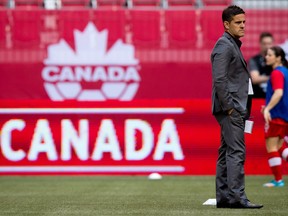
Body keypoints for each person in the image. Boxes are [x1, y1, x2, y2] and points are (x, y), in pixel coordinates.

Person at [211, 5, 263, 209]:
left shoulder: (229, 44)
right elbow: (220, 79)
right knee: (236, 152)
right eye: (238, 23)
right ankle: (236, 197)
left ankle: (225, 197)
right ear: (226, 24)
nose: (243, 26)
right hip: (231, 108)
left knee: (227, 151)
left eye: (244, 22)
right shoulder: (224, 45)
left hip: (231, 107)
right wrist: (230, 107)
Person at [262, 46, 288, 187]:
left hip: (276, 116)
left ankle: (278, 180)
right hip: (284, 115)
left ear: (278, 57)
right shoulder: (285, 72)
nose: (266, 57)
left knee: (271, 147)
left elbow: (278, 93)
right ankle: (278, 180)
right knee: (279, 146)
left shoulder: (277, 73)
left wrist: (268, 108)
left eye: (270, 54)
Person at [249, 32, 274, 98]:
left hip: (273, 96)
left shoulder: (277, 60)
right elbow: (255, 79)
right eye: (264, 43)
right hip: (258, 96)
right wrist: (273, 77)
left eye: (269, 43)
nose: (267, 46)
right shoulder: (254, 60)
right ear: (260, 44)